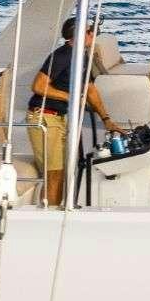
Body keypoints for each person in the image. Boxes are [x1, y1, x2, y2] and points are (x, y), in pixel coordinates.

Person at [28, 16, 125, 207]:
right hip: (45, 117)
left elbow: (90, 89)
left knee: (65, 170)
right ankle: (49, 215)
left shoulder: (83, 56)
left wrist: (106, 119)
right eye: (90, 31)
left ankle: (60, 209)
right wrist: (70, 97)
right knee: (54, 173)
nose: (93, 34)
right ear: (79, 34)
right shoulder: (63, 55)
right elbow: (38, 86)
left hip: (63, 119)